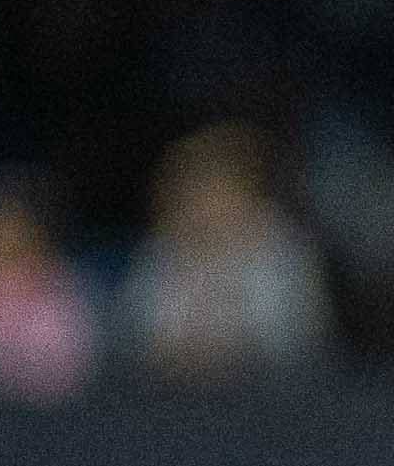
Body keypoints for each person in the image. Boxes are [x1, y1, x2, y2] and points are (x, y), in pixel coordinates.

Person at [123, 125, 331, 383]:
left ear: (245, 190)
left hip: (270, 399)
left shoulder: (280, 250)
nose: (206, 203)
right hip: (176, 398)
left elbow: (291, 338)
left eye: (218, 188)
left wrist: (224, 350)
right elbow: (139, 335)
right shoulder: (159, 253)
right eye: (194, 190)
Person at [0, 177, 103, 405]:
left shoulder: (58, 294)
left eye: (10, 249)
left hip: (49, 422)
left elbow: (71, 371)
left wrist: (4, 356)